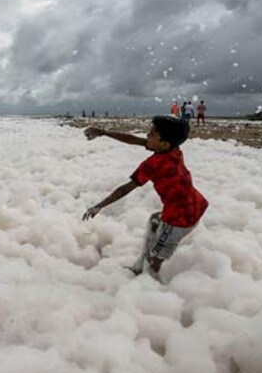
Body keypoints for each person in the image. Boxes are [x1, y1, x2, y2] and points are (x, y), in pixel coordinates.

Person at [81, 115, 208, 283]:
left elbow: (125, 189)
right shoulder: (173, 149)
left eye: (153, 134)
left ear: (164, 143)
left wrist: (99, 206)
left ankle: (152, 287)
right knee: (154, 222)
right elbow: (133, 140)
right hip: (194, 204)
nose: (148, 135)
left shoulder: (154, 164)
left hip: (181, 217)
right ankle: (139, 268)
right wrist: (104, 132)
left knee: (156, 259)